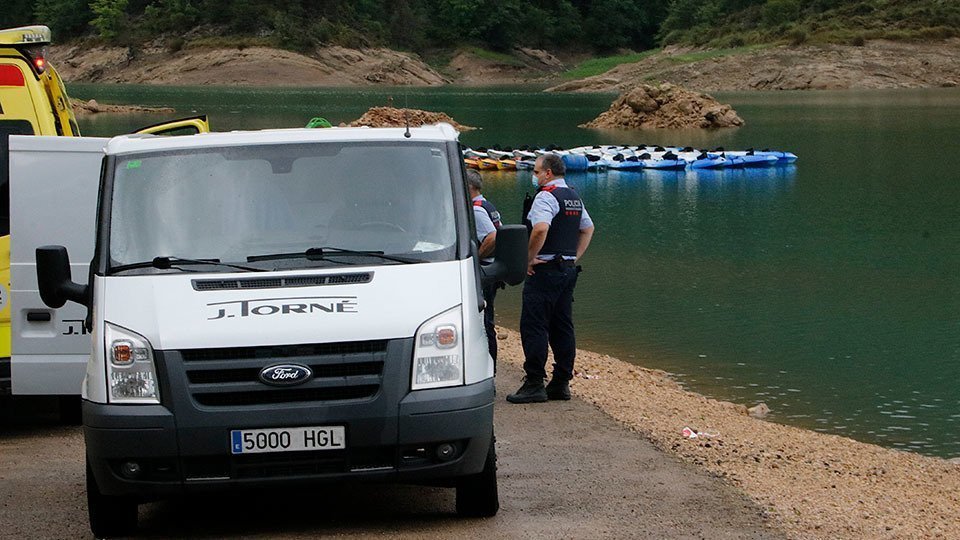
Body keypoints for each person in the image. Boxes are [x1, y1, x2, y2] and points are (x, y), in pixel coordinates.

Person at [507, 153, 594, 403]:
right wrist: (572, 257)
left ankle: (534, 382)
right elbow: (588, 228)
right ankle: (561, 382)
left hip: (544, 271)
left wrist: (527, 259)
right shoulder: (573, 197)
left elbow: (541, 229)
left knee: (534, 326)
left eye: (536, 172)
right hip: (566, 271)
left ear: (547, 173)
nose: (534, 176)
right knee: (562, 326)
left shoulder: (546, 196)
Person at [466, 170, 502, 366]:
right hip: (492, 267)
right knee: (486, 318)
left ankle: (489, 365)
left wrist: (476, 257)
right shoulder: (488, 206)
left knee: (484, 320)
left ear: (469, 187)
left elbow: (493, 236)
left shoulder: (477, 210)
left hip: (484, 269)